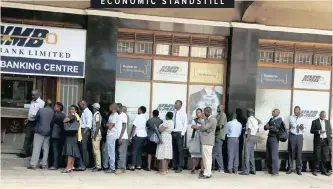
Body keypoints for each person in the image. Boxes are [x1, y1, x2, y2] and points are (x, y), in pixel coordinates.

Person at [17, 89, 45, 158]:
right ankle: (24, 152)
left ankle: (34, 153)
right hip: (30, 122)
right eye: (32, 95)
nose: (32, 96)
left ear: (38, 95)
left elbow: (41, 114)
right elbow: (31, 111)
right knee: (27, 137)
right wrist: (27, 118)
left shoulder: (42, 103)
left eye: (33, 95)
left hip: (36, 122)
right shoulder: (32, 101)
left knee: (35, 139)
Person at [27, 99, 54, 169]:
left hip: (39, 131)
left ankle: (33, 164)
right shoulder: (53, 112)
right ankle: (44, 164)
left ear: (45, 104)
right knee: (46, 149)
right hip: (48, 132)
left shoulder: (41, 110)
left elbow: (35, 118)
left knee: (36, 148)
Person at [192, 107, 217, 179]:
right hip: (205, 141)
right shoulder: (208, 119)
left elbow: (204, 128)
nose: (203, 114)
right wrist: (203, 126)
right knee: (206, 158)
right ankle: (208, 172)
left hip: (208, 141)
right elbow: (203, 128)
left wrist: (202, 121)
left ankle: (207, 174)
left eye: (204, 112)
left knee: (207, 158)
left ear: (207, 112)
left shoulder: (212, 119)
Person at [311, 111, 332, 176]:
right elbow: (311, 131)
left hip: (326, 141)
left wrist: (329, 137)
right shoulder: (314, 122)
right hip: (318, 141)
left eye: (324, 116)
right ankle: (314, 170)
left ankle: (324, 170)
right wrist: (319, 131)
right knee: (317, 156)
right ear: (320, 115)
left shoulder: (327, 122)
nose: (323, 116)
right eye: (322, 115)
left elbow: (330, 130)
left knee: (325, 157)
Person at [62, 105, 82, 173]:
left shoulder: (72, 116)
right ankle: (71, 166)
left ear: (76, 110)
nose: (71, 110)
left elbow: (64, 120)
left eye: (73, 109)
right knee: (73, 151)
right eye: (70, 109)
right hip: (74, 135)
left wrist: (66, 119)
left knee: (70, 152)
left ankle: (68, 167)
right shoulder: (77, 117)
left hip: (70, 135)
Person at [240, 108, 259, 175]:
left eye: (246, 112)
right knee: (251, 154)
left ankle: (246, 170)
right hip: (254, 137)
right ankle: (253, 169)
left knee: (246, 154)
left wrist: (247, 138)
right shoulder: (255, 120)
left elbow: (249, 129)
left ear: (248, 113)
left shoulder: (249, 119)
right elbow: (257, 129)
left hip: (249, 137)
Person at [265, 109, 283, 176]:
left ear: (278, 113)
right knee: (269, 154)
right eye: (272, 111)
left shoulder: (279, 120)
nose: (272, 112)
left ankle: (275, 171)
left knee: (274, 155)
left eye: (274, 111)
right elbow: (265, 127)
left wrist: (269, 127)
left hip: (274, 138)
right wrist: (268, 127)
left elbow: (275, 129)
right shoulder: (271, 119)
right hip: (269, 137)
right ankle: (270, 170)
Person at [287, 106, 305, 175]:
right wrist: (299, 118)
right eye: (295, 110)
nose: (296, 111)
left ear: (300, 110)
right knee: (291, 152)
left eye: (297, 110)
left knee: (299, 153)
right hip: (292, 135)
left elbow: (305, 129)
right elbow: (294, 124)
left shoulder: (303, 118)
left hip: (300, 136)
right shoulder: (291, 117)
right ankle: (290, 168)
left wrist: (303, 128)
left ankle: (298, 169)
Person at [129, 106, 148, 171]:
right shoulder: (145, 117)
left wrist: (131, 136)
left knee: (134, 151)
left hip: (138, 135)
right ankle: (139, 165)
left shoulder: (138, 117)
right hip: (144, 135)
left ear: (140, 110)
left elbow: (134, 127)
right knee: (139, 151)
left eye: (138, 109)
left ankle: (133, 165)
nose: (137, 111)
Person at [172, 100, 187, 173]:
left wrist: (182, 133)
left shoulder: (183, 113)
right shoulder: (174, 112)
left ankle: (180, 166)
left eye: (176, 103)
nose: (175, 104)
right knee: (174, 150)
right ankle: (174, 165)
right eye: (175, 103)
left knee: (180, 150)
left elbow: (185, 124)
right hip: (173, 132)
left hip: (179, 133)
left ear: (180, 105)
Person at [49, 102, 65, 170]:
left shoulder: (57, 115)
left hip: (55, 135)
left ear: (59, 107)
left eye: (55, 106)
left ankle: (55, 165)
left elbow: (51, 123)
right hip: (61, 135)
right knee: (59, 150)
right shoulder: (63, 115)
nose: (54, 108)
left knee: (55, 150)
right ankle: (59, 163)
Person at [78, 100, 93, 169]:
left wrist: (83, 133)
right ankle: (83, 163)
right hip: (82, 130)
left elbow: (89, 125)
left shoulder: (88, 113)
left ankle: (84, 164)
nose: (79, 107)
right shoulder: (84, 112)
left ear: (83, 105)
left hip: (85, 131)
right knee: (81, 147)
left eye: (80, 105)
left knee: (84, 148)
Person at [189, 108, 204, 175]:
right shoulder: (194, 120)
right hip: (195, 138)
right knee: (194, 154)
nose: (198, 114)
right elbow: (193, 126)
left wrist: (198, 127)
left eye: (199, 112)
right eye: (197, 112)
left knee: (202, 154)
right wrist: (201, 127)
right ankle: (193, 169)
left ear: (202, 113)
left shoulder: (204, 120)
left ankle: (202, 169)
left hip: (202, 138)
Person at [105, 103, 119, 173]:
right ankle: (111, 166)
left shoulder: (115, 115)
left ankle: (112, 167)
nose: (109, 107)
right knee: (109, 151)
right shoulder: (111, 115)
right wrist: (108, 124)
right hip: (109, 134)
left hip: (112, 135)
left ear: (113, 107)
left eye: (110, 106)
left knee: (111, 152)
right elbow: (108, 124)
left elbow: (110, 126)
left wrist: (108, 125)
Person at [213, 105, 227, 173]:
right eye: (217, 107)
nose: (217, 108)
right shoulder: (217, 115)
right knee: (215, 152)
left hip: (219, 136)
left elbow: (220, 126)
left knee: (218, 152)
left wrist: (212, 128)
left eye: (219, 107)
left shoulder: (223, 115)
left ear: (222, 108)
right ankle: (217, 167)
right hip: (216, 136)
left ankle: (221, 168)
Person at [115, 103, 129, 174]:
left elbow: (124, 127)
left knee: (121, 153)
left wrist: (120, 137)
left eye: (115, 107)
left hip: (122, 137)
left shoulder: (124, 115)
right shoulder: (118, 115)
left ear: (119, 107)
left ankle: (121, 168)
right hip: (118, 137)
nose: (114, 109)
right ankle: (122, 167)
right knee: (119, 153)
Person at [91, 103, 103, 172]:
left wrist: (95, 135)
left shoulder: (97, 115)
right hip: (95, 134)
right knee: (94, 151)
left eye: (93, 107)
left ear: (95, 108)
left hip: (96, 135)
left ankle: (98, 166)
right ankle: (96, 165)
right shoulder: (95, 114)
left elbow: (98, 126)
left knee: (96, 151)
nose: (92, 109)